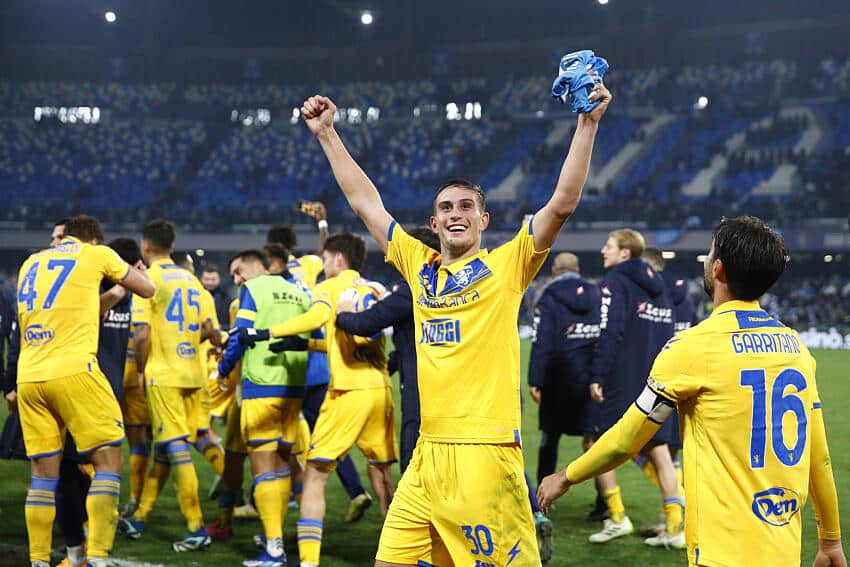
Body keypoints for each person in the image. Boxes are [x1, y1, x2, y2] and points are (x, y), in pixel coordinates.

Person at [292, 86, 610, 566]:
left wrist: (587, 123)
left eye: (465, 207)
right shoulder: (418, 266)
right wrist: (327, 135)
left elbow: (561, 204)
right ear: (434, 223)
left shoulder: (508, 266)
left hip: (486, 451)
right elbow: (366, 204)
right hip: (427, 452)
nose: (455, 214)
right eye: (446, 208)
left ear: (483, 219)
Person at [538, 216, 846, 567]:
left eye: (709, 252)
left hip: (721, 553)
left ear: (718, 268)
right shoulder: (797, 349)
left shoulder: (692, 348)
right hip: (784, 552)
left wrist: (566, 476)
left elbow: (627, 439)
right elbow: (818, 457)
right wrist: (830, 540)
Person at [330, 227, 555, 564]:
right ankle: (532, 512)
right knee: (496, 467)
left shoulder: (420, 287)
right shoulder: (460, 290)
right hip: (481, 401)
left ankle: (433, 545)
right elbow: (409, 343)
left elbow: (366, 323)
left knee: (427, 485)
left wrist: (341, 312)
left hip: (430, 408)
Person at [235, 232, 397, 567]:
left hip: (347, 393)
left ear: (338, 259)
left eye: (325, 259)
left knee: (314, 475)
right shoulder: (375, 288)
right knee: (381, 473)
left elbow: (315, 318)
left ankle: (308, 562)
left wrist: (267, 332)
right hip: (380, 390)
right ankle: (400, 553)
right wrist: (306, 345)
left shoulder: (329, 287)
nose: (322, 266)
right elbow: (344, 341)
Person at [15, 214, 155, 567]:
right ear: (94, 239)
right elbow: (148, 288)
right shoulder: (97, 253)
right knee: (108, 461)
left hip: (30, 375)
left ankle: (38, 560)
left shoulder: (31, 263)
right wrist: (128, 271)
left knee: (42, 476)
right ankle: (98, 557)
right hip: (75, 371)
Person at [120, 219, 224, 552]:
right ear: (172, 246)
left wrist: (140, 369)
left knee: (175, 448)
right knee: (166, 449)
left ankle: (196, 527)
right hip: (194, 374)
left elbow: (142, 334)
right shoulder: (193, 281)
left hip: (164, 375)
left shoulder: (148, 279)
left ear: (146, 247)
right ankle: (140, 517)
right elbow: (211, 330)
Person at [583, 229, 682, 547]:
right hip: (657, 379)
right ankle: (676, 526)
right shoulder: (660, 287)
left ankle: (616, 517)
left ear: (625, 252)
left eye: (608, 246)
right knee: (659, 450)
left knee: (597, 443)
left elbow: (610, 330)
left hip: (622, 379)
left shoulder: (616, 281)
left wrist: (598, 375)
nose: (603, 250)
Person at [265, 241, 372, 522]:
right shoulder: (310, 268)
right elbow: (331, 251)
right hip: (322, 370)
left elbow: (332, 258)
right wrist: (323, 224)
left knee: (278, 438)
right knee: (327, 440)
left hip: (292, 373)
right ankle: (356, 491)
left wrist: (266, 332)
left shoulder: (279, 285)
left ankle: (275, 500)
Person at [217, 249, 311, 567]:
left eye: (238, 271)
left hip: (262, 384)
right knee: (283, 465)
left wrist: (223, 368)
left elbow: (240, 336)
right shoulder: (298, 290)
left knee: (263, 468)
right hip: (294, 387)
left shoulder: (253, 289)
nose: (236, 279)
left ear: (258, 266)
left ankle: (274, 549)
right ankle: (277, 537)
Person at [528, 253, 600, 483]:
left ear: (554, 271)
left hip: (557, 377)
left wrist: (535, 379)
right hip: (591, 378)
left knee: (550, 436)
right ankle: (605, 499)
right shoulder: (598, 294)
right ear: (578, 269)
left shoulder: (548, 297)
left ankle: (543, 492)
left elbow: (542, 341)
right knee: (594, 440)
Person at [202, 263, 233, 333]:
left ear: (219, 279)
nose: (210, 282)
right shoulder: (196, 298)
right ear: (201, 279)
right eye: (207, 279)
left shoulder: (227, 299)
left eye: (213, 279)